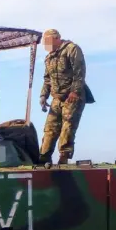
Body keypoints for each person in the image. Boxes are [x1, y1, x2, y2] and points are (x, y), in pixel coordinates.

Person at [38, 28, 95, 165]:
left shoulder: (72, 49)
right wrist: (43, 96)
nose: (46, 45)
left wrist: (75, 92)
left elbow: (79, 73)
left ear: (57, 38)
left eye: (48, 41)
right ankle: (44, 157)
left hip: (73, 96)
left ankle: (64, 156)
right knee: (50, 128)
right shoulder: (49, 57)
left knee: (68, 126)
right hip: (57, 98)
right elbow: (47, 79)